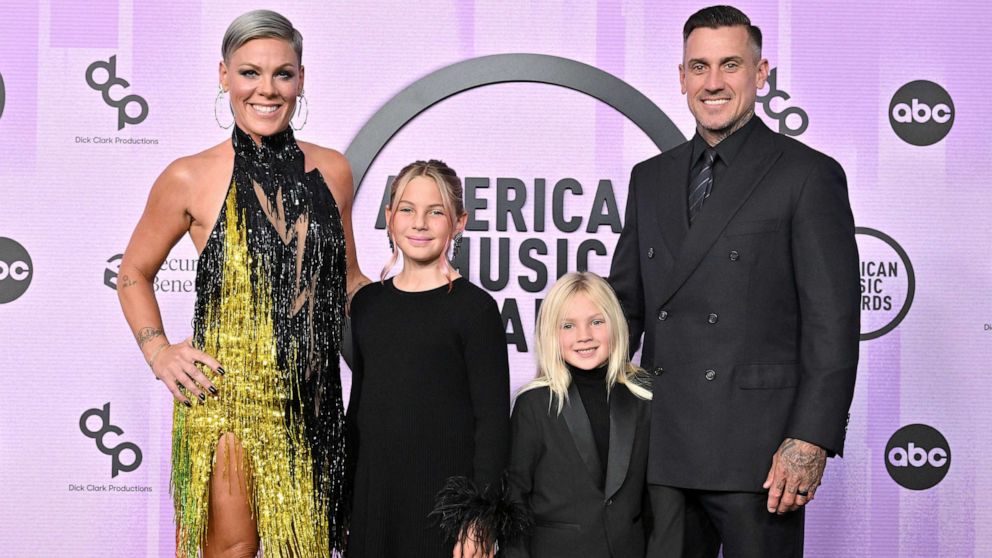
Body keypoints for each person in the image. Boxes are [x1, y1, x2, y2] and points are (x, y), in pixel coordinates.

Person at [608, 5, 860, 557]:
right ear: (680, 78)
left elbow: (832, 322)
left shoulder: (807, 174)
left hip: (762, 454)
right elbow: (625, 306)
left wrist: (810, 438)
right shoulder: (649, 179)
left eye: (730, 65)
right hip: (665, 446)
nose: (713, 83)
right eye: (698, 67)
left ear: (761, 72)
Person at [117, 10, 369, 557]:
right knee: (230, 550)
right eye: (250, 72)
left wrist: (419, 304)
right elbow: (133, 273)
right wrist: (159, 352)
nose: (267, 89)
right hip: (228, 398)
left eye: (283, 73)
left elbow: (348, 279)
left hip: (314, 401)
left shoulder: (335, 171)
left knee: (307, 549)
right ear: (224, 75)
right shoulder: (189, 175)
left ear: (301, 79)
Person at [346, 160, 511, 558]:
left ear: (459, 222)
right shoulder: (367, 304)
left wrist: (479, 518)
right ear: (388, 217)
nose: (419, 223)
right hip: (377, 502)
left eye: (435, 212)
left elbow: (492, 424)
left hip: (444, 510)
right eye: (407, 209)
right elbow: (360, 409)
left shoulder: (476, 309)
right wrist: (347, 499)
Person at [504, 271, 652, 557]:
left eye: (596, 322)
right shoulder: (534, 404)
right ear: (550, 333)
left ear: (616, 325)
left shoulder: (643, 399)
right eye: (568, 326)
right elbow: (514, 499)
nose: (584, 336)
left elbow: (656, 503)